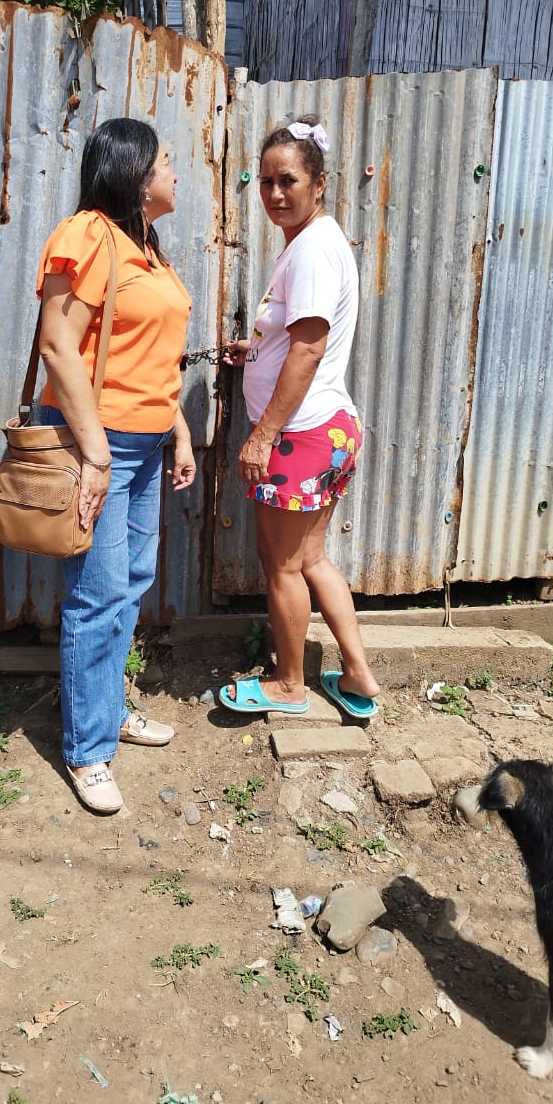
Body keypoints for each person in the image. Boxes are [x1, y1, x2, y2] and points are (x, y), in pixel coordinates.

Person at [37, 118, 196, 815]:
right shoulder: (88, 235)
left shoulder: (147, 248)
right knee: (97, 596)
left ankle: (107, 709)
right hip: (96, 446)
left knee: (129, 585)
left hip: (146, 446)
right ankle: (87, 749)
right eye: (166, 162)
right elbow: (58, 346)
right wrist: (96, 453)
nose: (176, 173)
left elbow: (150, 359)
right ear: (134, 173)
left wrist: (178, 433)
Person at [219, 116, 380, 719]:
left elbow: (309, 349)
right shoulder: (316, 241)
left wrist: (263, 435)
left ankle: (289, 684)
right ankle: (357, 673)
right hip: (328, 427)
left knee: (282, 564)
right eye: (265, 181)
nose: (274, 193)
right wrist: (256, 351)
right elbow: (299, 339)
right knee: (310, 559)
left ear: (319, 183)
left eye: (287, 180)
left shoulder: (311, 251)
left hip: (298, 435)